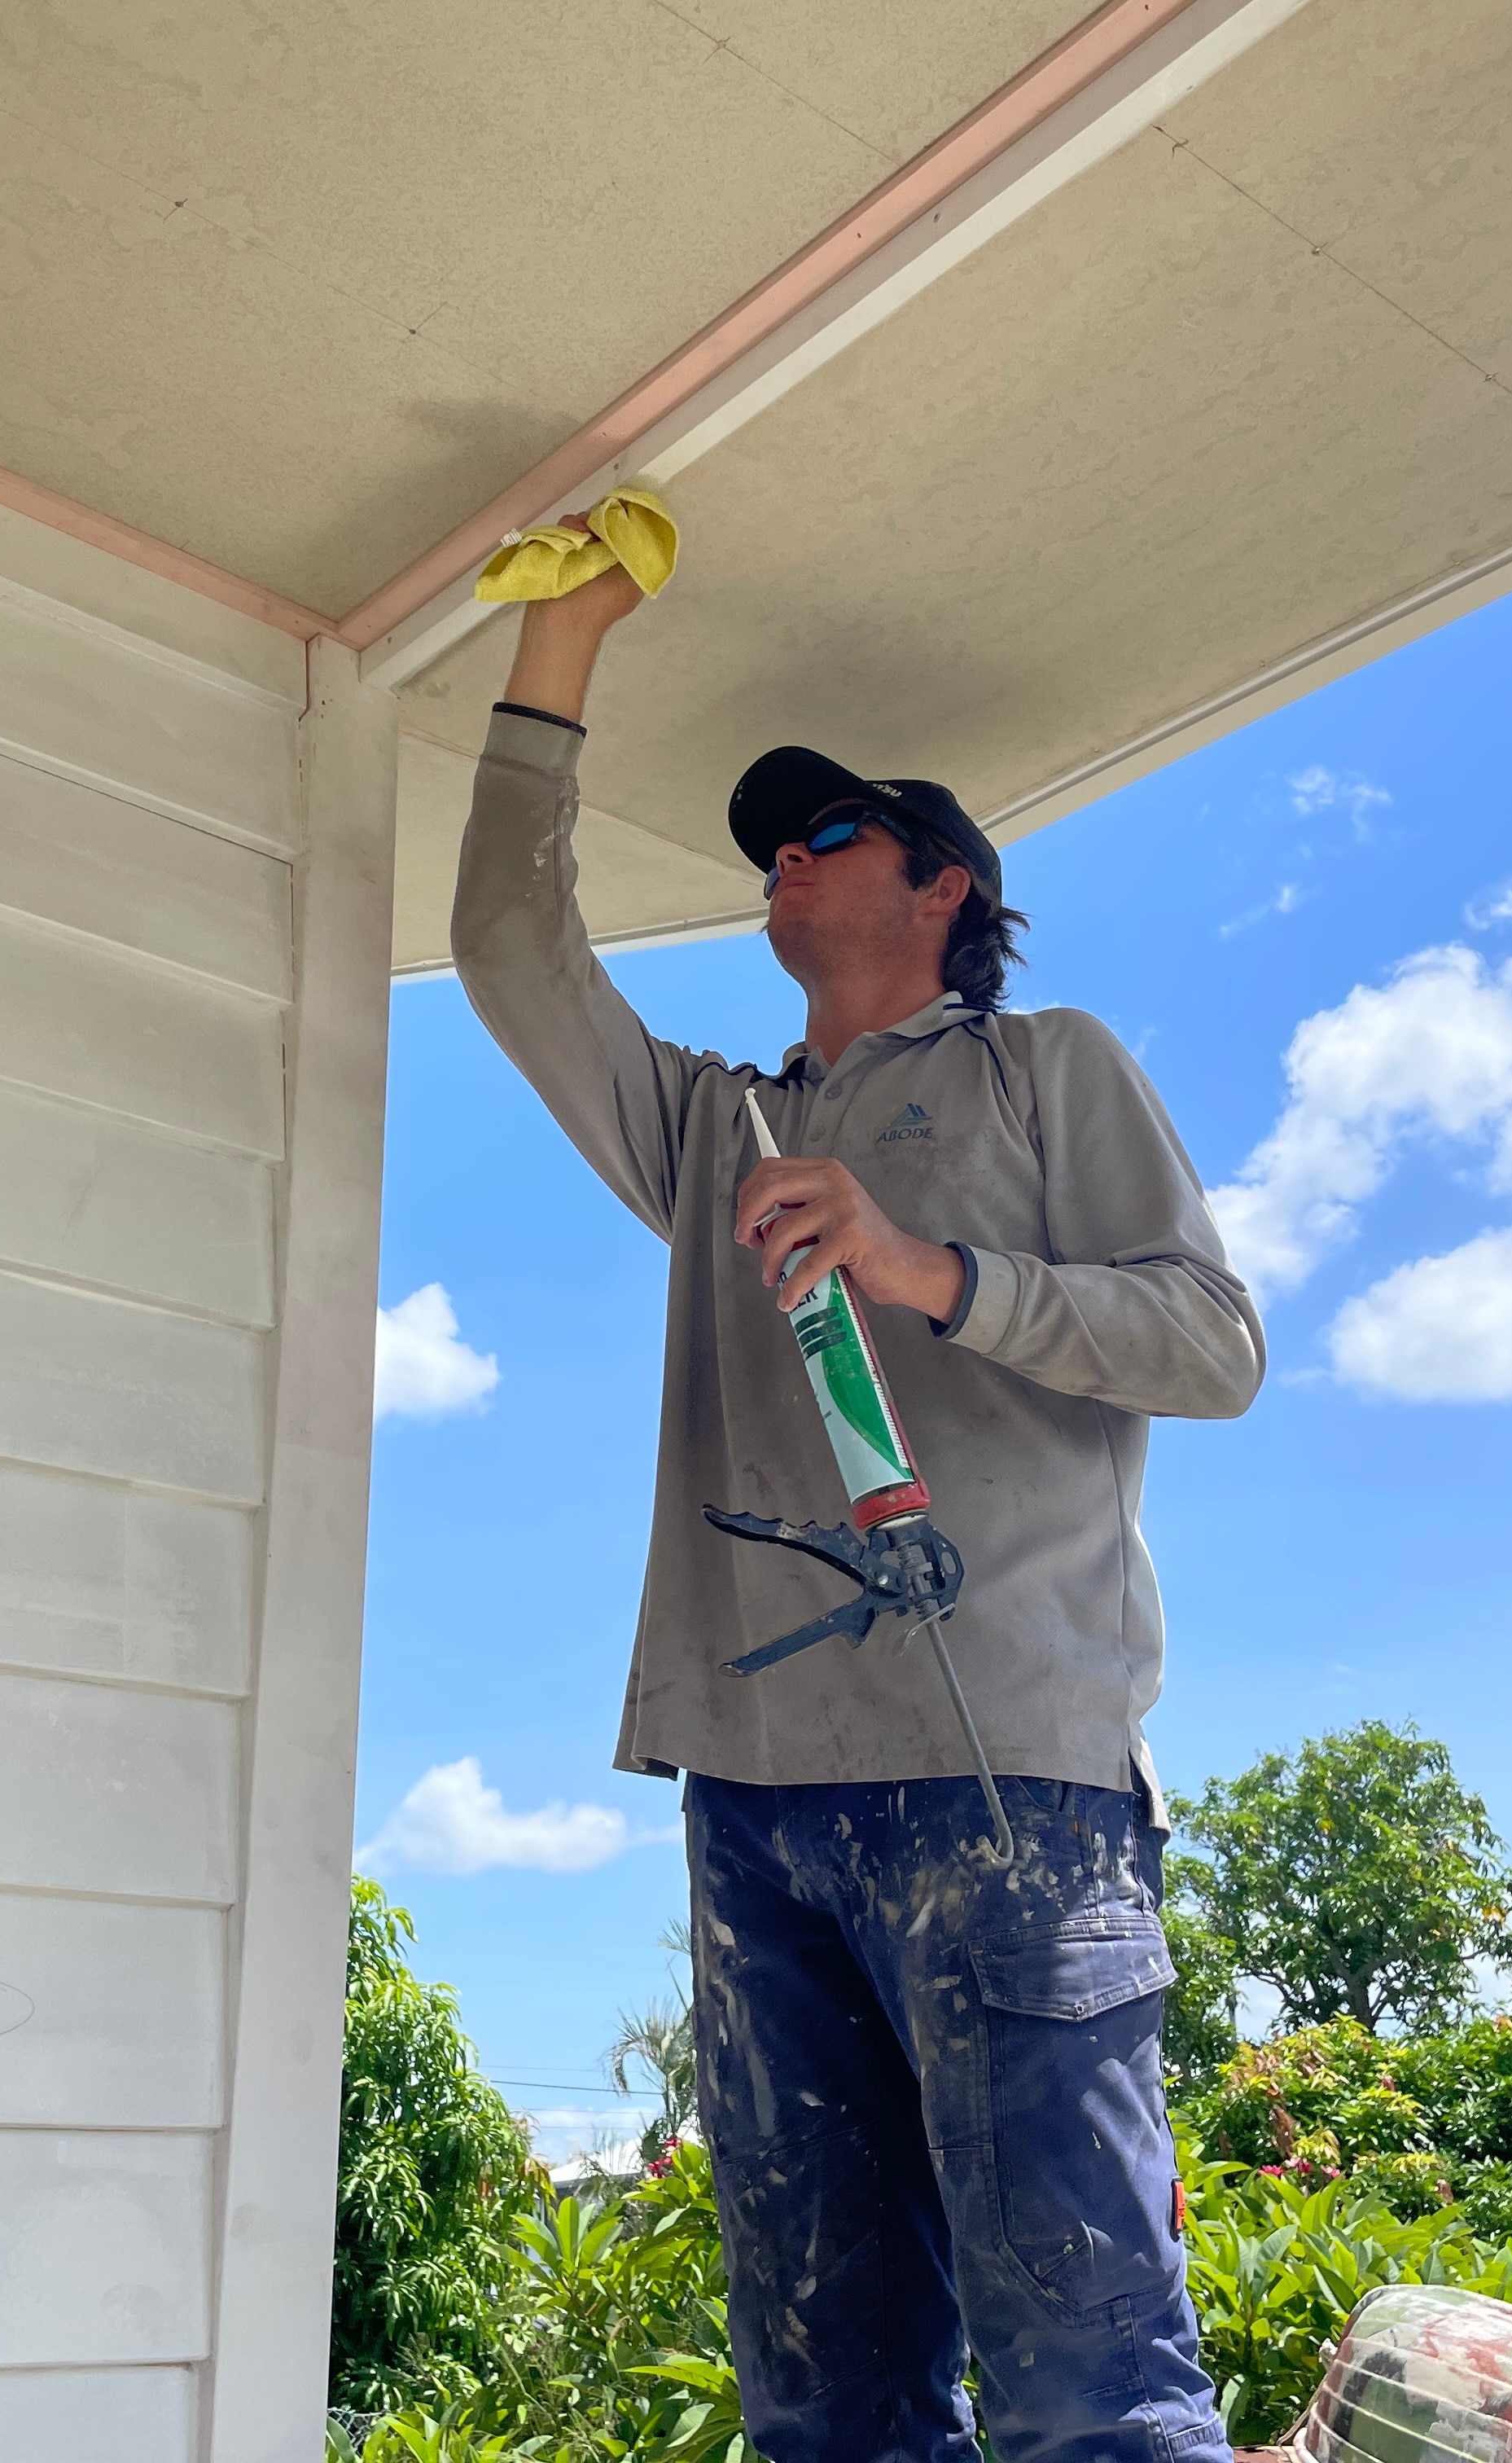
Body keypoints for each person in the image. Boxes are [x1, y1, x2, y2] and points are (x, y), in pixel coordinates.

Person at [451, 537, 1264, 2463]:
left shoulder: (1044, 1070)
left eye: (829, 832)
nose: (783, 862)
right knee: (826, 2398)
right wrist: (560, 646)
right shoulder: (712, 1132)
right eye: (770, 847)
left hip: (1010, 1786)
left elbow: (1213, 1344)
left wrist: (928, 1271)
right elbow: (507, 950)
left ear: (945, 883)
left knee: (1088, 2386)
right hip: (755, 1801)